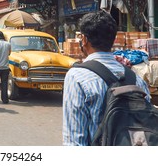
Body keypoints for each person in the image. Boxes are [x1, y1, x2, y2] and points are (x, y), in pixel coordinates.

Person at [62, 10, 150, 146]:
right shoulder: (137, 80)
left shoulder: (77, 77)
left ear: (84, 40)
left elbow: (74, 139)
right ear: (114, 40)